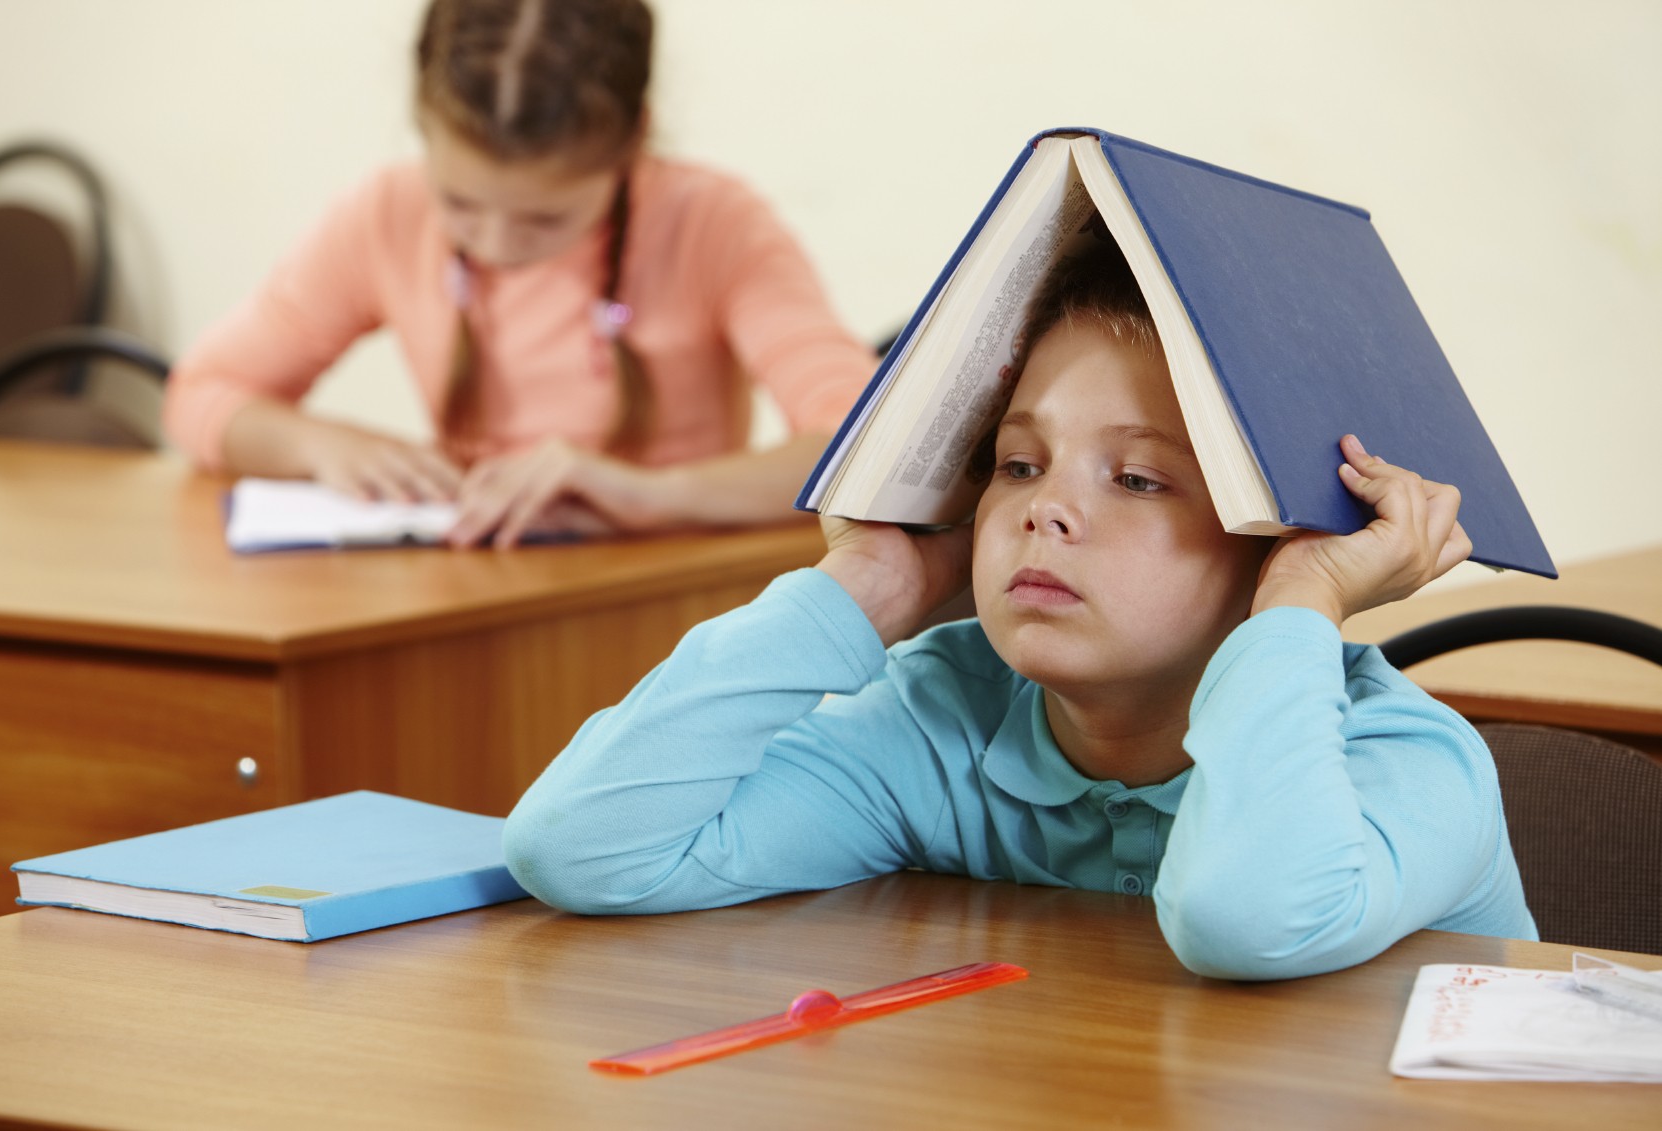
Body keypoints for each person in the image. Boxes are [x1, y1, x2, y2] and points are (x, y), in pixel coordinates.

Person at [503, 237, 1537, 981]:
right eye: (1017, 463)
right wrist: (868, 591)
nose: (1045, 510)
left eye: (1137, 479)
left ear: (1281, 534)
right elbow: (584, 846)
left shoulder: (1408, 762)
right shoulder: (942, 723)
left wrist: (1302, 603)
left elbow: (1247, 919)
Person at [163, 0, 875, 548]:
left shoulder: (712, 222)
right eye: (462, 204)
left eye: (545, 220)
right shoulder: (388, 214)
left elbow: (863, 442)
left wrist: (650, 494)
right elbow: (199, 395)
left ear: (632, 141)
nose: (498, 243)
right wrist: (320, 445)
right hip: (472, 604)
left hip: (668, 616)